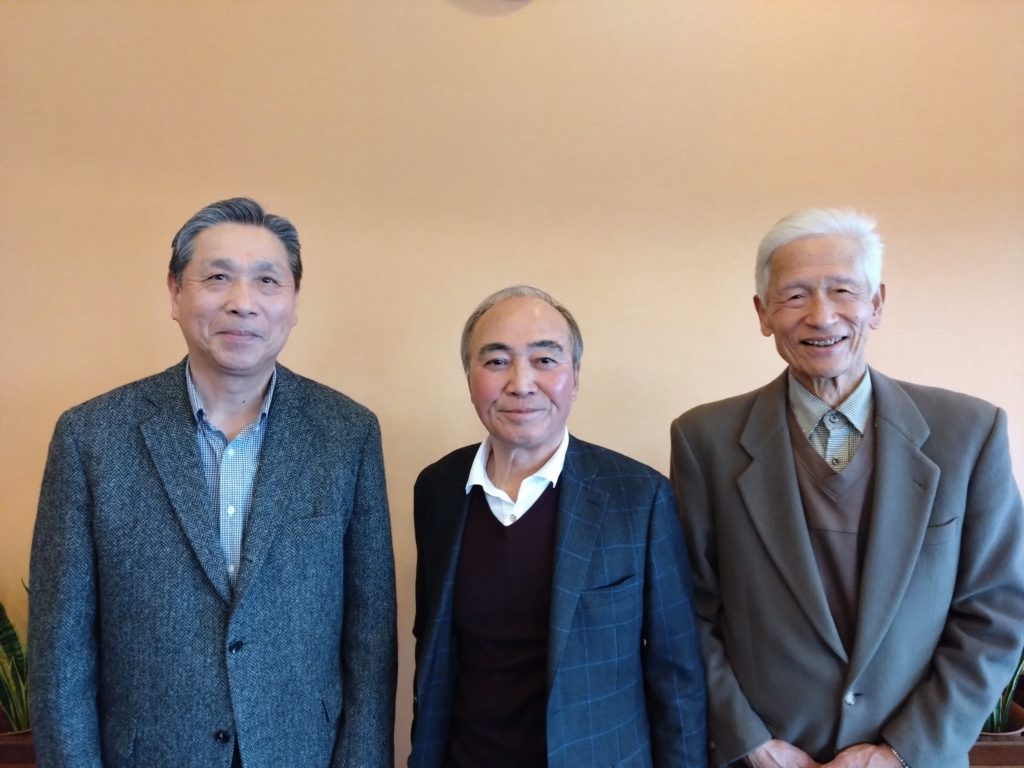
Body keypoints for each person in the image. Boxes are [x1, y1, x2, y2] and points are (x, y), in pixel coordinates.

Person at [29, 197, 397, 768]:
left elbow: (370, 641)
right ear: (175, 292)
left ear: (294, 301)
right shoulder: (91, 436)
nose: (242, 302)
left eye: (267, 280)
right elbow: (61, 650)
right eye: (217, 277)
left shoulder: (346, 433)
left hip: (301, 752)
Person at [670, 208, 1024, 768]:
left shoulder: (968, 434)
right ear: (763, 314)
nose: (821, 315)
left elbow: (996, 613)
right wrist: (751, 742)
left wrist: (903, 751)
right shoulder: (704, 440)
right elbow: (687, 610)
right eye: (794, 296)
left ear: (876, 304)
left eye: (843, 291)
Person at [409, 285, 707, 768]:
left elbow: (677, 676)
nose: (521, 383)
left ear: (575, 377)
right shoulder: (438, 488)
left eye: (545, 360)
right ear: (469, 377)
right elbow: (433, 648)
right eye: (497, 361)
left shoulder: (639, 496)